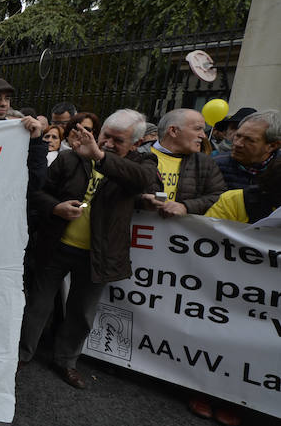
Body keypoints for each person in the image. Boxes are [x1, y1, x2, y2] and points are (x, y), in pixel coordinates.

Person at [19, 109, 159, 388]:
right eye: (106, 136)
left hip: (99, 254)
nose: (107, 143)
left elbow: (144, 182)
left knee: (82, 311)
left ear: (135, 144)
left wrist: (100, 157)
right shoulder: (70, 157)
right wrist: (55, 207)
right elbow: (37, 191)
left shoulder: (143, 163)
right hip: (56, 246)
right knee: (38, 303)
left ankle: (66, 361)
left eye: (118, 141)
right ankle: (23, 353)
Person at [140, 108, 225, 217]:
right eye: (198, 129)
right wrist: (140, 200)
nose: (203, 136)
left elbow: (219, 197)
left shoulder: (205, 162)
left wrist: (186, 207)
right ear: (173, 131)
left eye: (203, 130)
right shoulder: (138, 156)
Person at [212, 109, 280, 189]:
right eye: (238, 136)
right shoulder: (214, 166)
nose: (238, 144)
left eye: (249, 140)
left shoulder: (278, 169)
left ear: (272, 146)